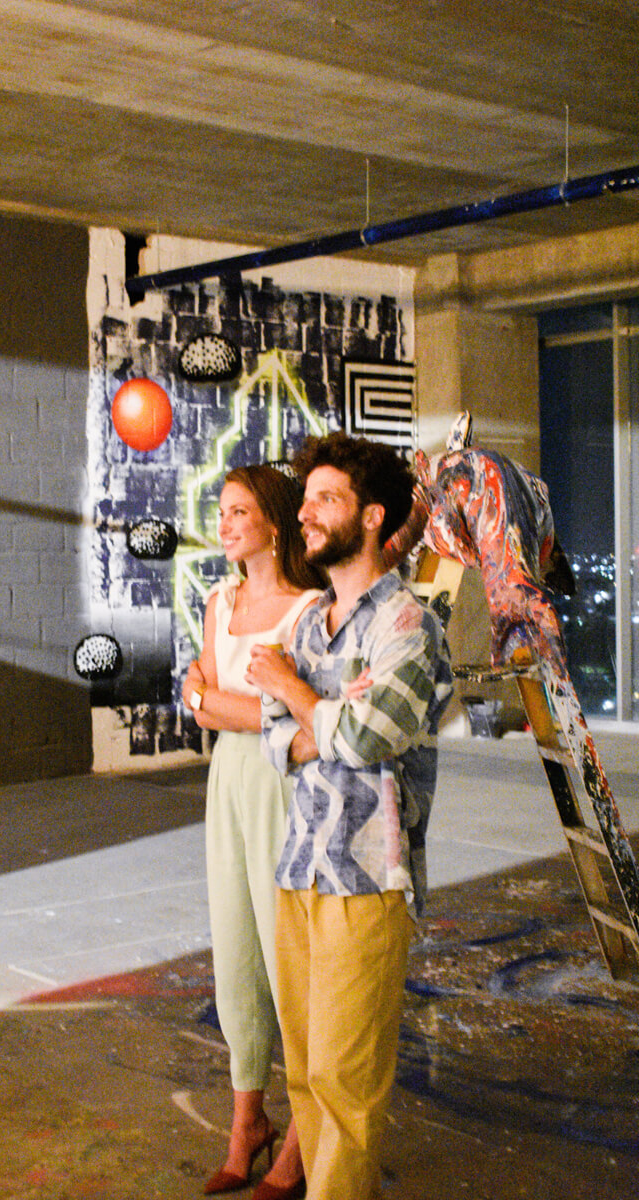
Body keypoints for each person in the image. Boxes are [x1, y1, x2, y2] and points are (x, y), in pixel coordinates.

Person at [246, 433, 454, 1200]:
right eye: (306, 501)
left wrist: (297, 694)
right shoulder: (309, 627)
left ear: (371, 517)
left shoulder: (407, 625)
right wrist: (321, 716)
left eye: (325, 500)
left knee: (346, 1077)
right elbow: (275, 741)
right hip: (301, 863)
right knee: (305, 1070)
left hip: (368, 874)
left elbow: (369, 738)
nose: (305, 515)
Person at [183, 464, 324, 1200]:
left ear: (274, 522)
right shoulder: (219, 601)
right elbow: (203, 700)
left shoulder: (309, 610)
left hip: (285, 788)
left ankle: (301, 1135)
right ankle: (247, 1122)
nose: (226, 523)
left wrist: (218, 702)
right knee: (235, 950)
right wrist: (230, 703)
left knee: (286, 956)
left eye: (240, 511)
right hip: (229, 783)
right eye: (222, 511)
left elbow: (304, 720)